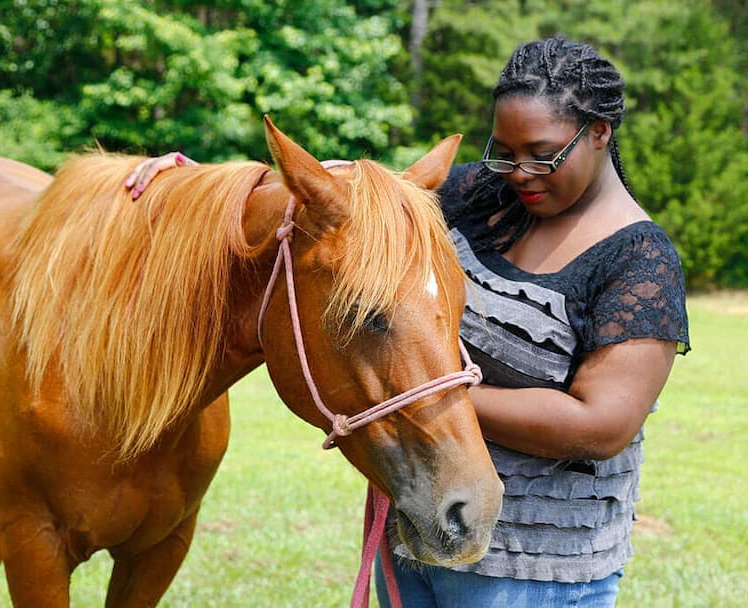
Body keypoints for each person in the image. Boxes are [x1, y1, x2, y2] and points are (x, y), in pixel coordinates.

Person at [125, 35, 689, 608]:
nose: (520, 173)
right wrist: (193, 191)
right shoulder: (481, 195)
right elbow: (341, 201)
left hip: (536, 575)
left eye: (541, 154)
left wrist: (423, 395)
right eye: (503, 151)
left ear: (599, 133)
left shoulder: (639, 262)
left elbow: (602, 426)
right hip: (416, 532)